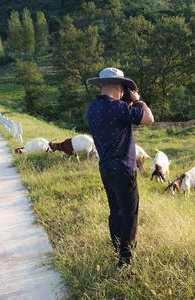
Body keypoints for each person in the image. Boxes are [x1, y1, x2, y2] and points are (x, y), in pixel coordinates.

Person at [86, 67, 154, 268]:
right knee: (129, 214)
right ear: (117, 87)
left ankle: (117, 247)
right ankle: (125, 260)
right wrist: (139, 100)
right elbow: (149, 119)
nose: (124, 93)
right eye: (123, 89)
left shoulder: (92, 108)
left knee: (115, 211)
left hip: (106, 168)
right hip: (124, 167)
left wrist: (128, 104)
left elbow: (114, 122)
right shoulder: (117, 108)